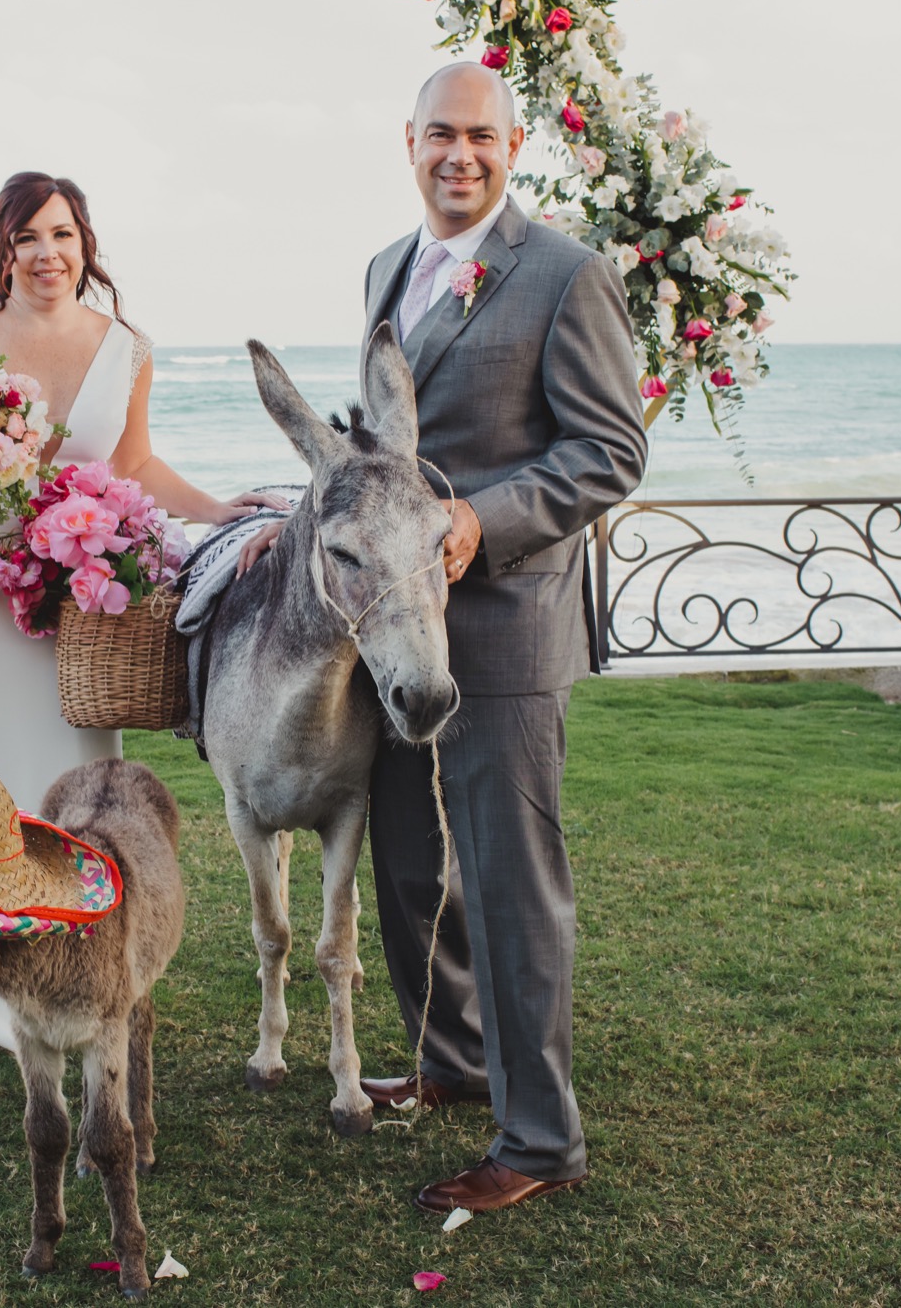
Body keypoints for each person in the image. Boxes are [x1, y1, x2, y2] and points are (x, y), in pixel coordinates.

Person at [358, 64, 647, 1213]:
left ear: (511, 144)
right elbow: (387, 437)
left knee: (509, 885)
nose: (457, 154)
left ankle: (536, 1144)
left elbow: (606, 452)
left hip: (509, 626)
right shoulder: (385, 269)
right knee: (407, 862)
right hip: (396, 640)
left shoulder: (565, 274)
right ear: (410, 141)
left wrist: (485, 519)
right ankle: (453, 1061)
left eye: (479, 135)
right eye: (439, 134)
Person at [0, 171, 282, 810]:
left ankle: (64, 899)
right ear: (5, 250)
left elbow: (134, 461)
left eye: (61, 234)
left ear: (85, 243)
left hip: (73, 595)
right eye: (26, 238)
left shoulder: (128, 349)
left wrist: (218, 509)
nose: (45, 253)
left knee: (67, 769)